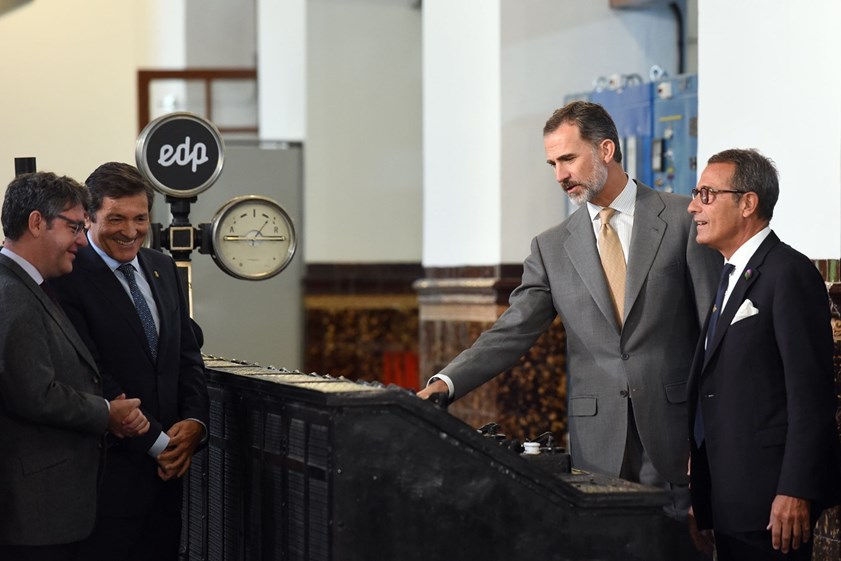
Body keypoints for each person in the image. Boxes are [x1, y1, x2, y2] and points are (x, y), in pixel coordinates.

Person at [418, 101, 721, 522]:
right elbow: (512, 331)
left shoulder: (683, 220)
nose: (560, 175)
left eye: (568, 159)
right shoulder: (551, 246)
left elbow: (714, 333)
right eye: (552, 164)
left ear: (606, 150)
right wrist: (446, 383)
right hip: (597, 443)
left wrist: (711, 436)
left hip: (675, 435)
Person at [48, 162, 209, 561]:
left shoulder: (163, 267)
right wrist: (158, 444)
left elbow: (187, 356)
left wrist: (194, 424)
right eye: (115, 218)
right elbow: (89, 372)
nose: (130, 230)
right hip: (105, 479)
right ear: (88, 219)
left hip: (169, 478)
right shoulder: (65, 275)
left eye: (140, 219)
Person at [686, 148, 841, 560]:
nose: (692, 206)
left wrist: (795, 490)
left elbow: (810, 395)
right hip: (729, 499)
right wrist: (701, 492)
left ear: (747, 203)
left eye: (706, 194)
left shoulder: (787, 272)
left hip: (771, 504)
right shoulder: (729, 274)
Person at [0, 171, 149, 561]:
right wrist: (107, 412)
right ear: (36, 223)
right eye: (74, 228)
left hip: (49, 511)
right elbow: (34, 393)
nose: (82, 242)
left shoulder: (28, 286)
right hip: (32, 513)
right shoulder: (10, 293)